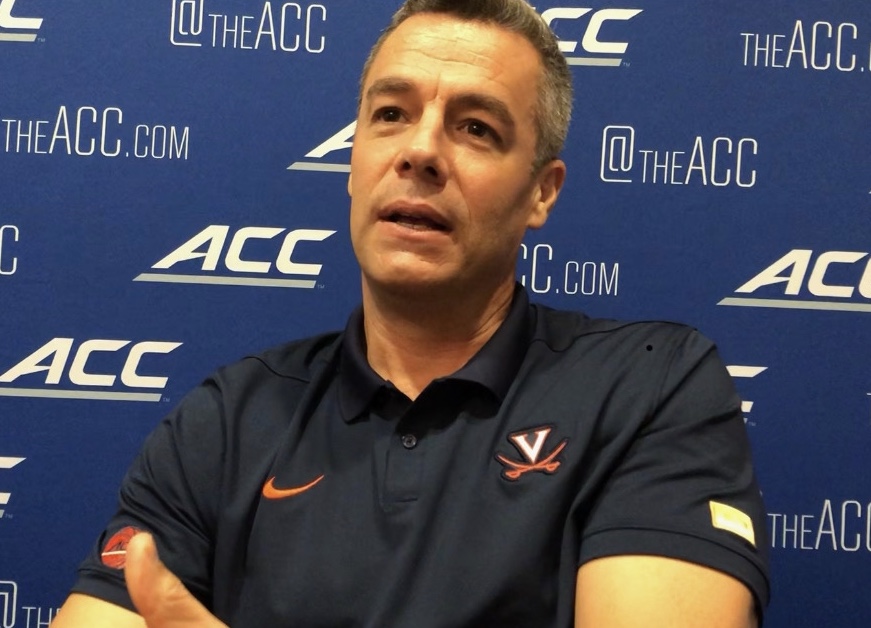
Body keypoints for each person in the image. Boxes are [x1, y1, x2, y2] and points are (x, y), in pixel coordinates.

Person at [52, 0, 770, 626]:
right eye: (391, 114)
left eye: (476, 128)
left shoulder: (650, 387)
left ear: (541, 193)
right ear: (353, 157)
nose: (420, 150)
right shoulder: (229, 421)